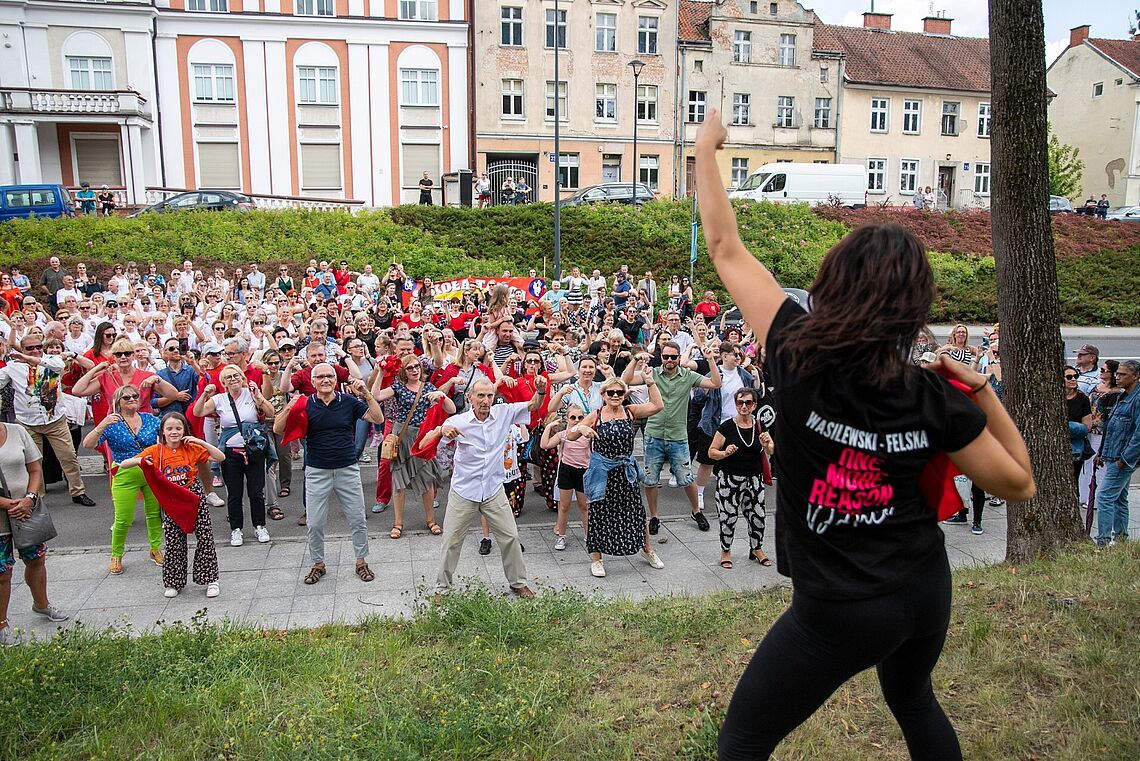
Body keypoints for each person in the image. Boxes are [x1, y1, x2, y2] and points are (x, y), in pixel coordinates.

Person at [695, 108, 1035, 760]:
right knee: (913, 700)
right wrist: (983, 389)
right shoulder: (933, 393)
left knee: (742, 740)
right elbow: (1019, 481)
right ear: (915, 305)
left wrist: (705, 150)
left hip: (838, 610)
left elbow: (725, 248)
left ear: (832, 281)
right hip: (922, 589)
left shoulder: (795, 350)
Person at [424, 378, 547, 599]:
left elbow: (533, 405)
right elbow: (424, 444)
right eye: (480, 396)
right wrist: (441, 430)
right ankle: (442, 588)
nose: (485, 401)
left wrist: (540, 390)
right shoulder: (459, 421)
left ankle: (518, 583)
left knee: (510, 536)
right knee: (451, 541)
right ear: (470, 397)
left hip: (492, 490)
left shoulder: (503, 413)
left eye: (489, 395)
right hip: (464, 491)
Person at [275, 366, 384, 585]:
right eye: (321, 377)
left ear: (336, 380)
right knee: (314, 522)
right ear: (313, 381)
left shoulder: (348, 402)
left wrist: (366, 393)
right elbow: (278, 429)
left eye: (330, 376)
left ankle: (361, 561)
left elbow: (377, 417)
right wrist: (290, 407)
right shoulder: (306, 403)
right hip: (316, 470)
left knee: (357, 518)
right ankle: (318, 564)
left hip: (347, 468)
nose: (326, 380)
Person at [567, 371, 664, 578]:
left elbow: (657, 405)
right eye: (611, 392)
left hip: (625, 472)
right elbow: (570, 435)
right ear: (603, 395)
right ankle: (596, 559)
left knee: (637, 512)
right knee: (599, 514)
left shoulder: (630, 411)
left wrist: (650, 382)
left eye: (619, 392)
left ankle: (647, 549)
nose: (615, 395)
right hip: (603, 473)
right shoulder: (596, 414)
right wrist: (581, 429)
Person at [119, 413, 225, 598]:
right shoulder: (156, 450)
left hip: (193, 497)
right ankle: (174, 582)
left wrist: (200, 442)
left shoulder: (191, 447)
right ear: (163, 432)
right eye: (169, 429)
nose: (174, 432)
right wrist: (140, 460)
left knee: (205, 537)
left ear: (184, 430)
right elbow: (124, 464)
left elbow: (220, 456)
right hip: (172, 500)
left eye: (178, 428)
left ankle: (211, 580)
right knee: (174, 542)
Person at [0, 336, 96, 506]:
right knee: (34, 461)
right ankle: (38, 496)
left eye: (38, 347)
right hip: (28, 422)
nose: (35, 350)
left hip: (55, 420)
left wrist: (31, 359)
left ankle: (78, 492)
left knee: (68, 457)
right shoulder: (12, 368)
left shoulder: (51, 360)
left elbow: (59, 366)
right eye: (30, 348)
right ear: (22, 349)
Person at [0, 421, 69, 647]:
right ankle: (1, 624)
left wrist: (29, 498)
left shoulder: (17, 431)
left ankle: (41, 604)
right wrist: (9, 503)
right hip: (6, 511)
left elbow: (35, 469)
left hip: (25, 511)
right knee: (3, 572)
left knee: (36, 559)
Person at [81, 385, 163, 574]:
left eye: (135, 396)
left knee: (153, 514)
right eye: (127, 397)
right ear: (118, 402)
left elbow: (168, 438)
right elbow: (88, 444)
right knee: (123, 518)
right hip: (124, 472)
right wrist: (102, 424)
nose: (133, 399)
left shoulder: (150, 419)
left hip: (150, 470)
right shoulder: (112, 423)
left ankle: (155, 548)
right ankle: (116, 555)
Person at [370, 354, 454, 538]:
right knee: (399, 481)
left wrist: (442, 395)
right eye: (410, 368)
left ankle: (431, 520)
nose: (415, 370)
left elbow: (451, 409)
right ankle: (398, 523)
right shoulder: (399, 386)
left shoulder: (428, 387)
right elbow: (376, 395)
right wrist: (381, 372)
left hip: (422, 437)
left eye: (417, 366)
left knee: (426, 480)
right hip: (403, 436)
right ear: (403, 371)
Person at [193, 364, 276, 547]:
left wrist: (259, 397)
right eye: (229, 377)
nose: (233, 379)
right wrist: (205, 394)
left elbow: (271, 413)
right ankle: (236, 529)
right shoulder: (220, 399)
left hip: (253, 450)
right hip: (230, 453)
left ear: (242, 377)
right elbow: (197, 412)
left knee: (256, 491)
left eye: (236, 375)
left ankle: (259, 525)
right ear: (223, 382)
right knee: (234, 493)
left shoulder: (251, 393)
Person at [707, 387, 775, 568]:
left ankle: (756, 548)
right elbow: (711, 452)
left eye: (748, 403)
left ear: (754, 405)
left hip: (754, 479)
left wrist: (767, 444)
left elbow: (771, 450)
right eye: (740, 402)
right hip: (730, 479)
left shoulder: (760, 425)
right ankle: (726, 550)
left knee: (758, 516)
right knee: (728, 517)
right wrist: (724, 453)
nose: (743, 406)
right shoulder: (727, 426)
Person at [1094, 360, 1139, 546]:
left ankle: (1103, 541)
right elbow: (1111, 427)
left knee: (1104, 497)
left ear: (1136, 376)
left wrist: (1125, 459)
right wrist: (1101, 453)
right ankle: (1121, 539)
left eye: (1123, 374)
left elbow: (1138, 434)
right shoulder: (1122, 396)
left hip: (1123, 459)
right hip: (1112, 455)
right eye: (1117, 374)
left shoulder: (1137, 399)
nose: (1117, 377)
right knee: (1120, 498)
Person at [540, 405, 592, 551]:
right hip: (566, 471)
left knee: (584, 506)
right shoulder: (563, 434)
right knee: (564, 506)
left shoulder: (587, 435)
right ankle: (561, 537)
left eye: (580, 417)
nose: (576, 421)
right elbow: (544, 445)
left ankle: (589, 537)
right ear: (567, 419)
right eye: (573, 417)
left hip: (583, 471)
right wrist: (548, 427)